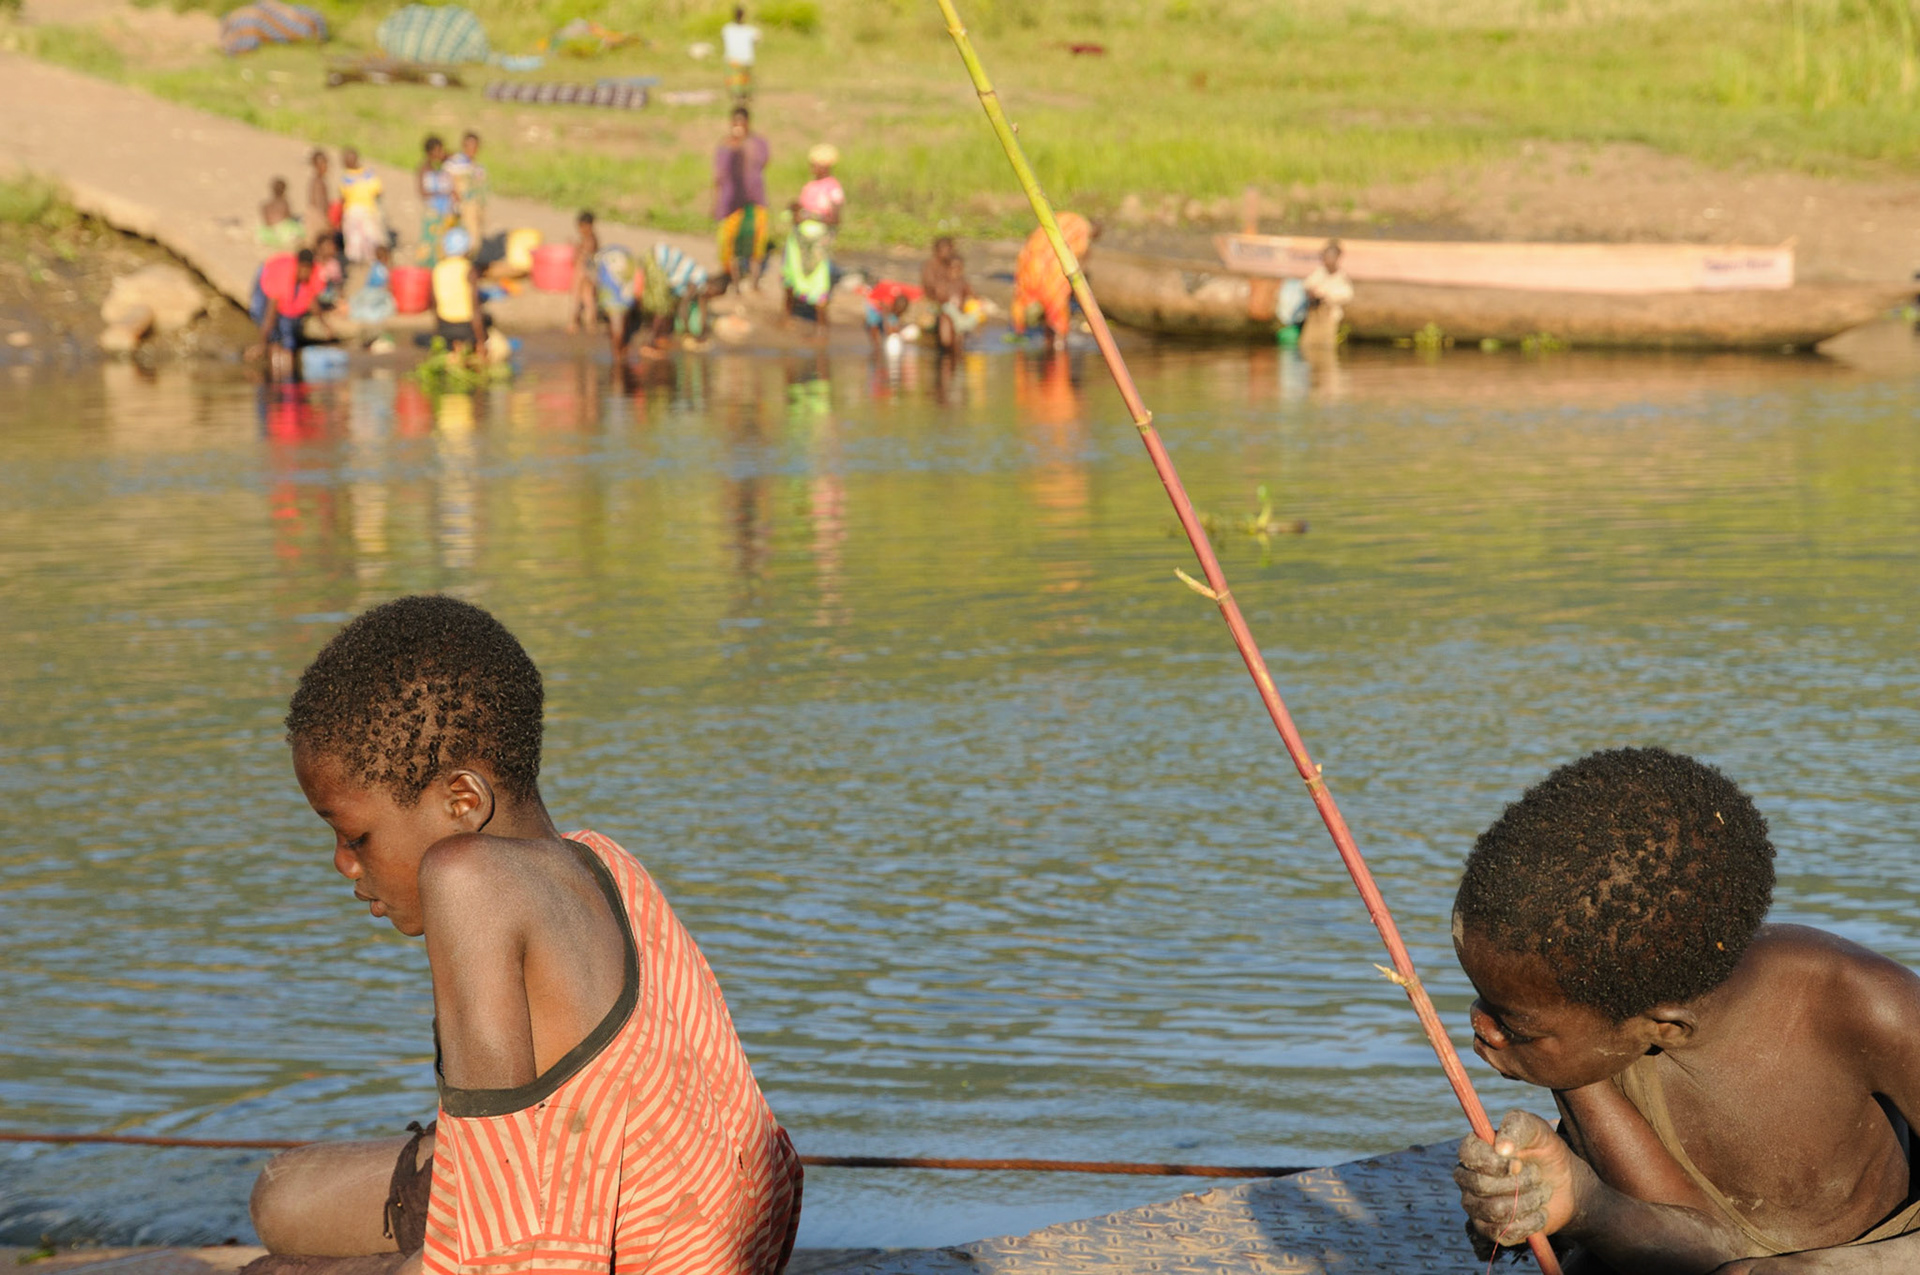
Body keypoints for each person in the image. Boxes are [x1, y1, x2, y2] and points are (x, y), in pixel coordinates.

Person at [249, 596, 803, 1275]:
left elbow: (506, 1259)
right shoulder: (600, 857)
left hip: (632, 1251)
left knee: (271, 1266)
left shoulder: (466, 880)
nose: (343, 861)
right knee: (281, 1195)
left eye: (355, 834)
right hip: (728, 1229)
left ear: (463, 801)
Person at [1451, 747, 1920, 1275]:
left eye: (1515, 1024)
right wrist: (1566, 1205)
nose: (1478, 1022)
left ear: (1665, 1027)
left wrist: (1834, 1269)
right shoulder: (1602, 1034)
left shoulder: (1868, 1004)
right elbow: (1700, 1249)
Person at [1011, 211, 1094, 352]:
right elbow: (1081, 260)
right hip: (1053, 269)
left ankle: (1027, 332)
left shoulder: (1064, 216)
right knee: (1056, 309)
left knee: (1029, 295)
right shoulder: (1082, 228)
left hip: (1032, 262)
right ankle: (1058, 347)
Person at [247, 247, 322, 378]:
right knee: (260, 314)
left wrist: (325, 324)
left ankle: (284, 375)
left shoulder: (314, 274)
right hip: (267, 271)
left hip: (286, 288)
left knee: (288, 333)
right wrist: (262, 344)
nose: (305, 273)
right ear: (298, 266)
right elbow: (270, 314)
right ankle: (273, 362)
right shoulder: (281, 276)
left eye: (308, 269)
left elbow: (312, 301)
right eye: (303, 268)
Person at [712, 106, 769, 240]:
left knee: (754, 238)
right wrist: (715, 203)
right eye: (735, 123)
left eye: (741, 122)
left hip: (753, 198)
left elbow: (762, 161)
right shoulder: (725, 145)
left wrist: (743, 144)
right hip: (730, 200)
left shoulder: (757, 143)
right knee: (728, 241)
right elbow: (719, 174)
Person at [430, 227, 484, 357]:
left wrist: (438, 332)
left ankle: (454, 351)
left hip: (444, 325)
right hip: (465, 326)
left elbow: (434, 303)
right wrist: (481, 341)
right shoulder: (468, 269)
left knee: (453, 356)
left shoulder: (438, 268)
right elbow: (474, 306)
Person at [921, 236, 980, 353]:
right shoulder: (933, 267)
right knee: (945, 320)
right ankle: (947, 346)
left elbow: (972, 294)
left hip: (959, 312)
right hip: (944, 308)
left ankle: (958, 348)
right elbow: (933, 290)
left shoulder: (962, 281)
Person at [781, 218, 834, 334]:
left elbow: (834, 221)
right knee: (790, 284)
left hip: (816, 263)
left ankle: (821, 328)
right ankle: (787, 318)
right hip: (798, 260)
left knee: (819, 293)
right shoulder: (798, 231)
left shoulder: (821, 228)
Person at [338, 147, 387, 267]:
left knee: (371, 236)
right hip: (352, 212)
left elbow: (378, 192)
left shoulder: (368, 174)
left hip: (368, 210)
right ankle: (355, 261)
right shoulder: (346, 178)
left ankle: (373, 260)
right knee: (354, 237)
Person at [1300, 239, 1352, 347]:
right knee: (1307, 344)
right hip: (1314, 314)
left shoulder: (1341, 276)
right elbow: (1307, 285)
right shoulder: (1319, 272)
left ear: (1337, 257)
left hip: (1330, 316)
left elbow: (1347, 295)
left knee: (1326, 346)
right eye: (1325, 256)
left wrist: (1326, 296)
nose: (1327, 259)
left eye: (1330, 256)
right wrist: (1311, 293)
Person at [416, 136, 457, 264]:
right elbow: (423, 192)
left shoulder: (446, 165)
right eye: (437, 151)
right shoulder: (424, 169)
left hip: (447, 211)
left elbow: (455, 155)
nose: (440, 154)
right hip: (433, 212)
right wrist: (443, 192)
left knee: (447, 242)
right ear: (429, 153)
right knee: (430, 243)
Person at [443, 131, 487, 242]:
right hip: (456, 206)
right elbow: (447, 182)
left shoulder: (478, 167)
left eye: (475, 146)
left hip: (473, 207)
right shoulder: (454, 163)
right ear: (463, 145)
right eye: (469, 146)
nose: (472, 149)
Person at [795, 145, 844, 231]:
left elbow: (835, 219)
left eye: (815, 166)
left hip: (821, 237)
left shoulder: (832, 188)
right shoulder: (810, 185)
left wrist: (810, 217)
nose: (812, 169)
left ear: (825, 167)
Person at [348, 242, 396, 328]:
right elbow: (384, 285)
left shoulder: (374, 266)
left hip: (368, 291)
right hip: (375, 293)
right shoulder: (382, 269)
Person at [864, 279, 917, 353]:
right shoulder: (887, 301)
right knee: (873, 325)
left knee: (893, 324)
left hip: (889, 304)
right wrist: (889, 330)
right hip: (874, 302)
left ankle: (888, 342)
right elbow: (885, 317)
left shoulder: (903, 294)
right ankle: (876, 346)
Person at [569, 210, 600, 335]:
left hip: (583, 269)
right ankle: (591, 325)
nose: (579, 229)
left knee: (577, 296)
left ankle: (573, 323)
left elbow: (585, 254)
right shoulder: (593, 237)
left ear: (586, 225)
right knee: (588, 298)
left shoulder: (589, 238)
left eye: (580, 226)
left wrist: (576, 248)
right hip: (591, 270)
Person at [720, 5, 759, 106]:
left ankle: (736, 96)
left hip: (732, 59)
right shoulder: (749, 30)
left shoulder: (727, 29)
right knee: (743, 80)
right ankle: (743, 96)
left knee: (735, 80)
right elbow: (757, 40)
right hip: (745, 60)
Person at [258, 177, 304, 249]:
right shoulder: (284, 203)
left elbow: (265, 220)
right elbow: (288, 217)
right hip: (282, 231)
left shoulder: (266, 205)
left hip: (269, 231)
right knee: (297, 225)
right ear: (284, 191)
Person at [306, 149, 337, 246]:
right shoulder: (318, 182)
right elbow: (320, 202)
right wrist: (327, 220)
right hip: (317, 215)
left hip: (316, 214)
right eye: (324, 164)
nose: (326, 167)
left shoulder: (319, 180)